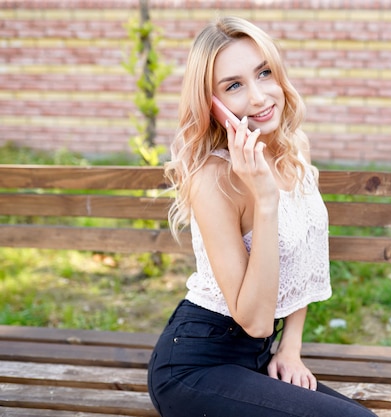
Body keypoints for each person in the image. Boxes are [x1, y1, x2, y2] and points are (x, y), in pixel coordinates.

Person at [147, 16, 377, 417]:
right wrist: (265, 199)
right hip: (195, 366)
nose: (258, 97)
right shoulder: (213, 178)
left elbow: (304, 252)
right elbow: (254, 320)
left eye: (264, 73)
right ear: (212, 104)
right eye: (233, 86)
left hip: (256, 358)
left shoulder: (291, 148)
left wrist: (291, 348)